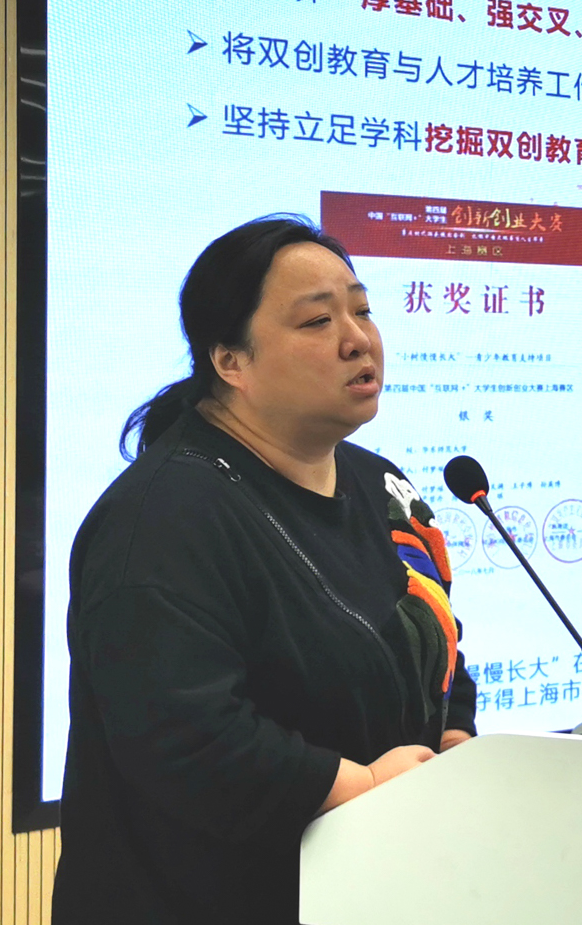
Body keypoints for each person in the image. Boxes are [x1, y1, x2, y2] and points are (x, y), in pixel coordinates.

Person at [52, 216, 477, 923]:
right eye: (317, 321)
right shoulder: (162, 518)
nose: (357, 339)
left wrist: (456, 743)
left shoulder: (383, 487)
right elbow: (183, 736)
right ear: (231, 362)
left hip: (375, 889)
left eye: (363, 310)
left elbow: (433, 633)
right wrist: (361, 785)